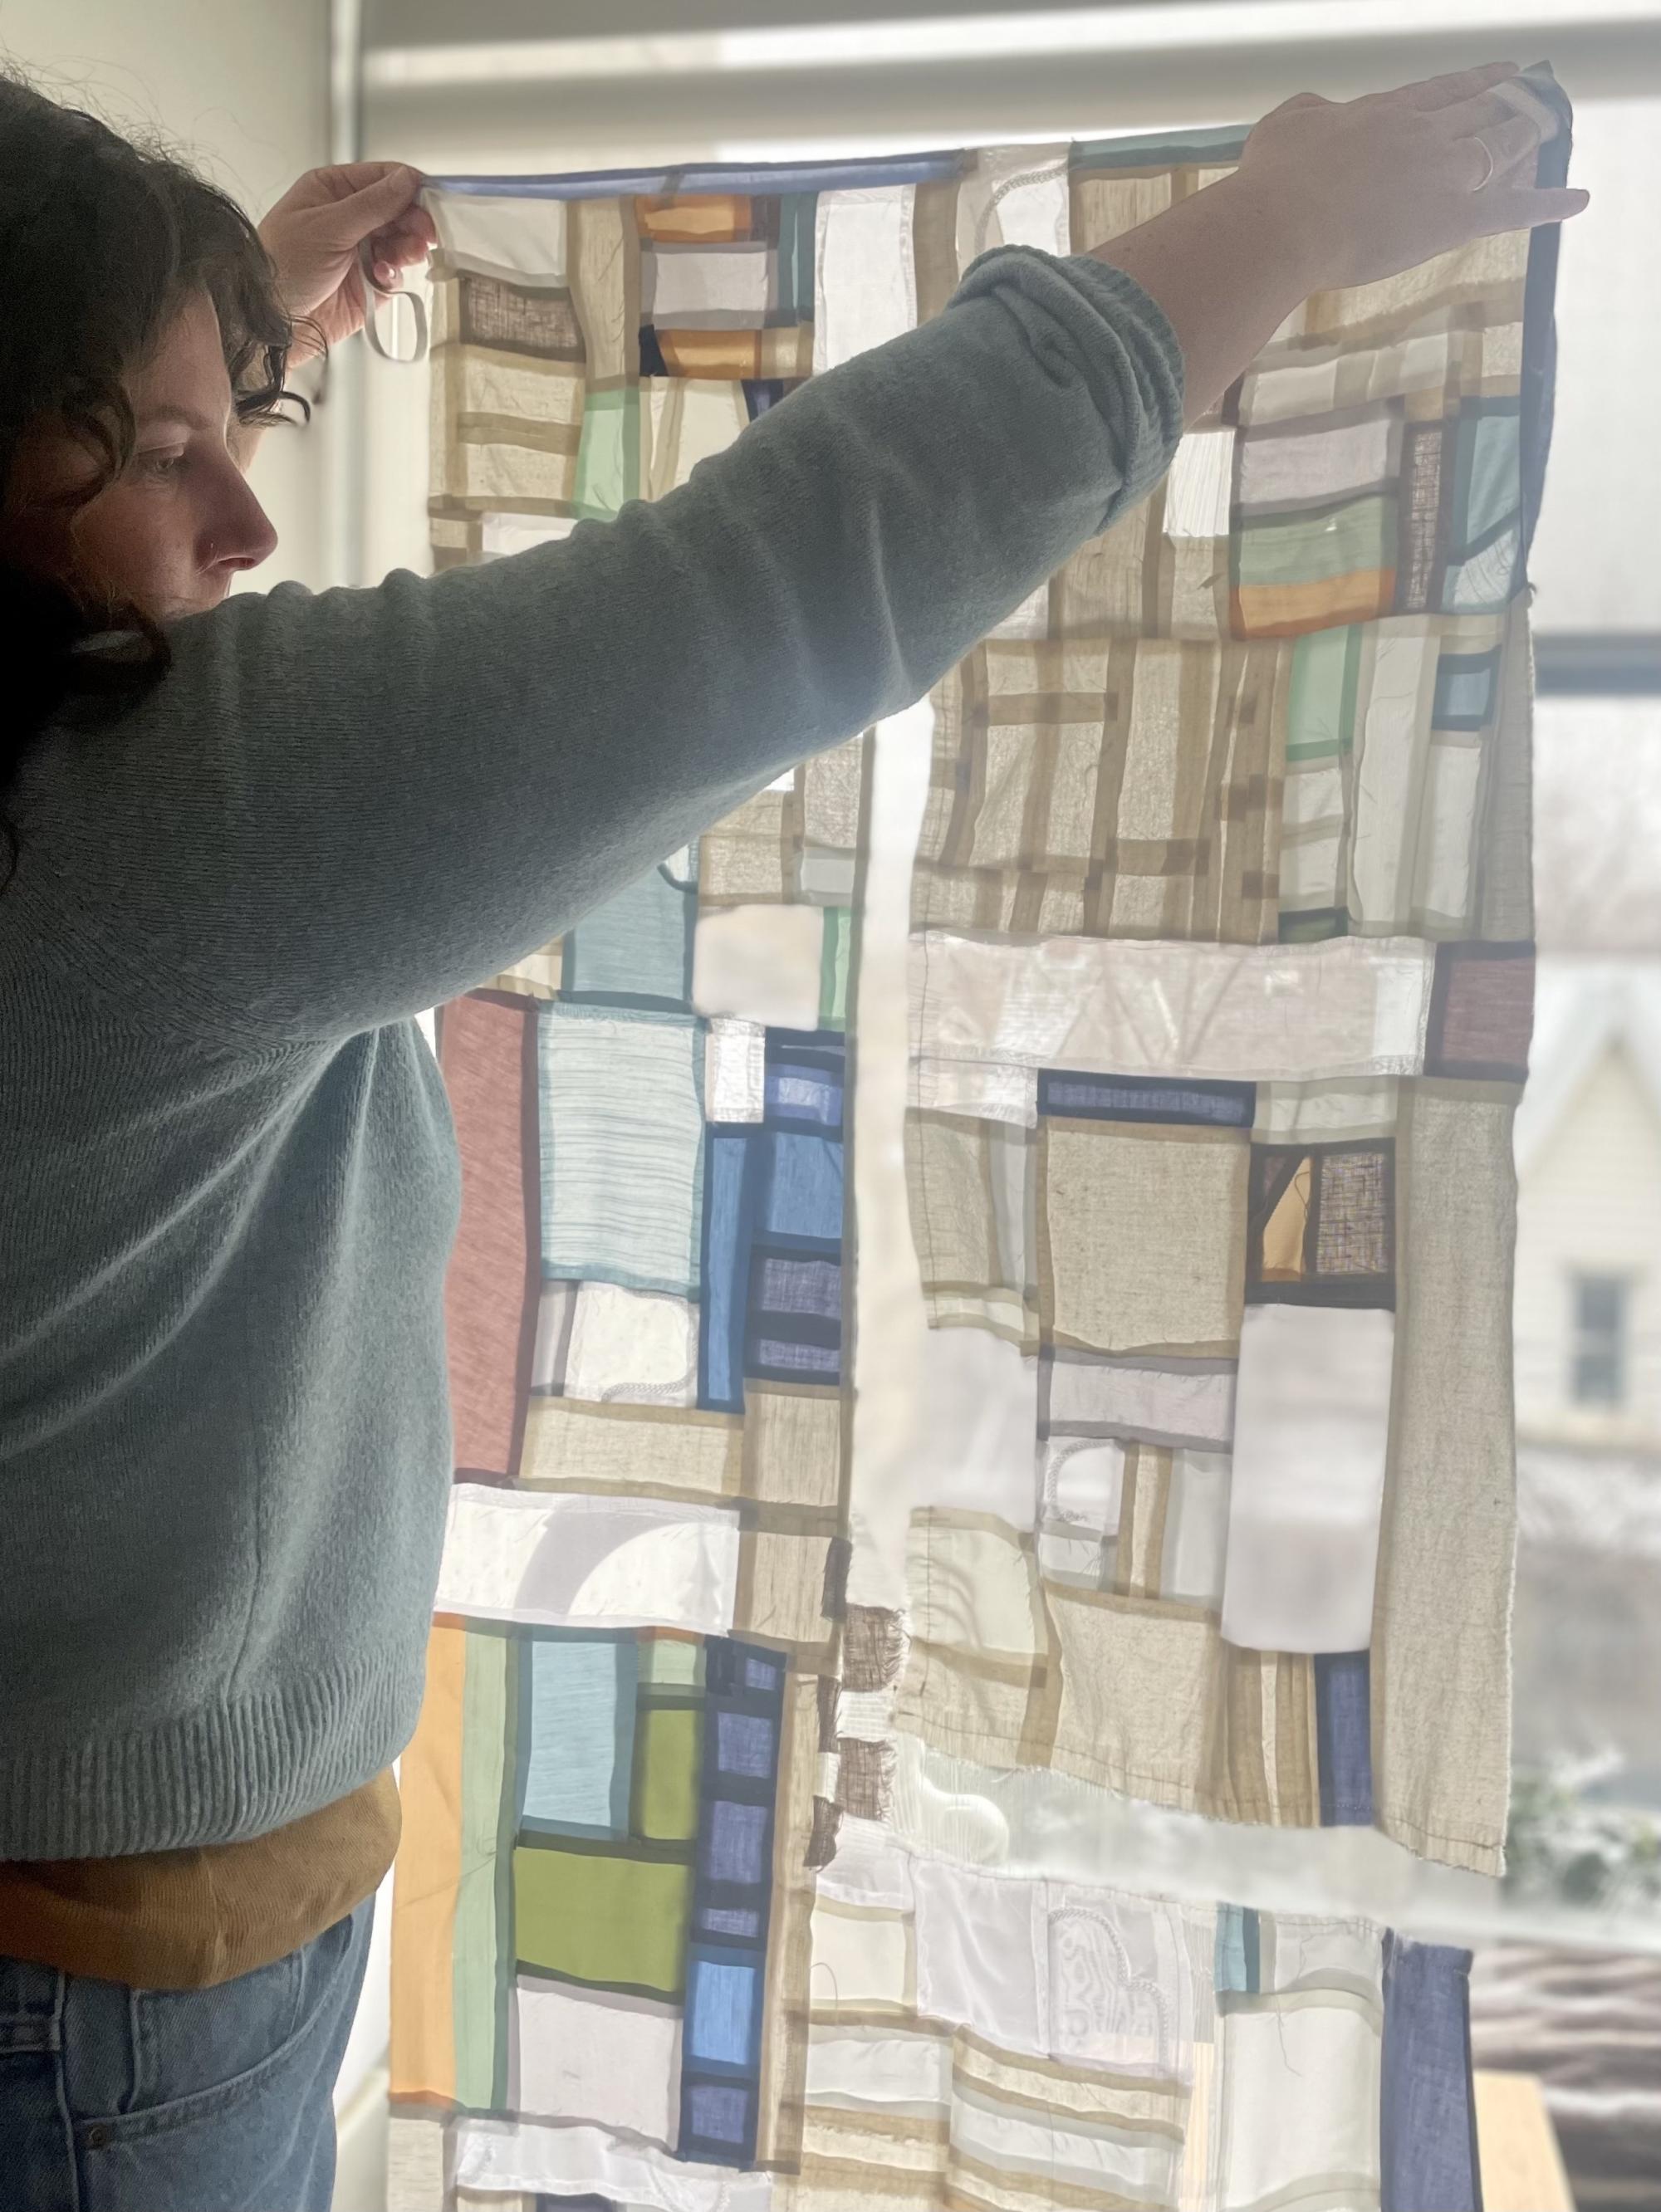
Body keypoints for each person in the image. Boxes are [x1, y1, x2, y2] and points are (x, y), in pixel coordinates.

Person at [0, 57, 1581, 2212]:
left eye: (240, 425)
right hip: (90, 1998)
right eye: (162, 455)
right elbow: (796, 568)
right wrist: (1290, 217)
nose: (253, 523)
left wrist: (188, 340)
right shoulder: (136, 813)